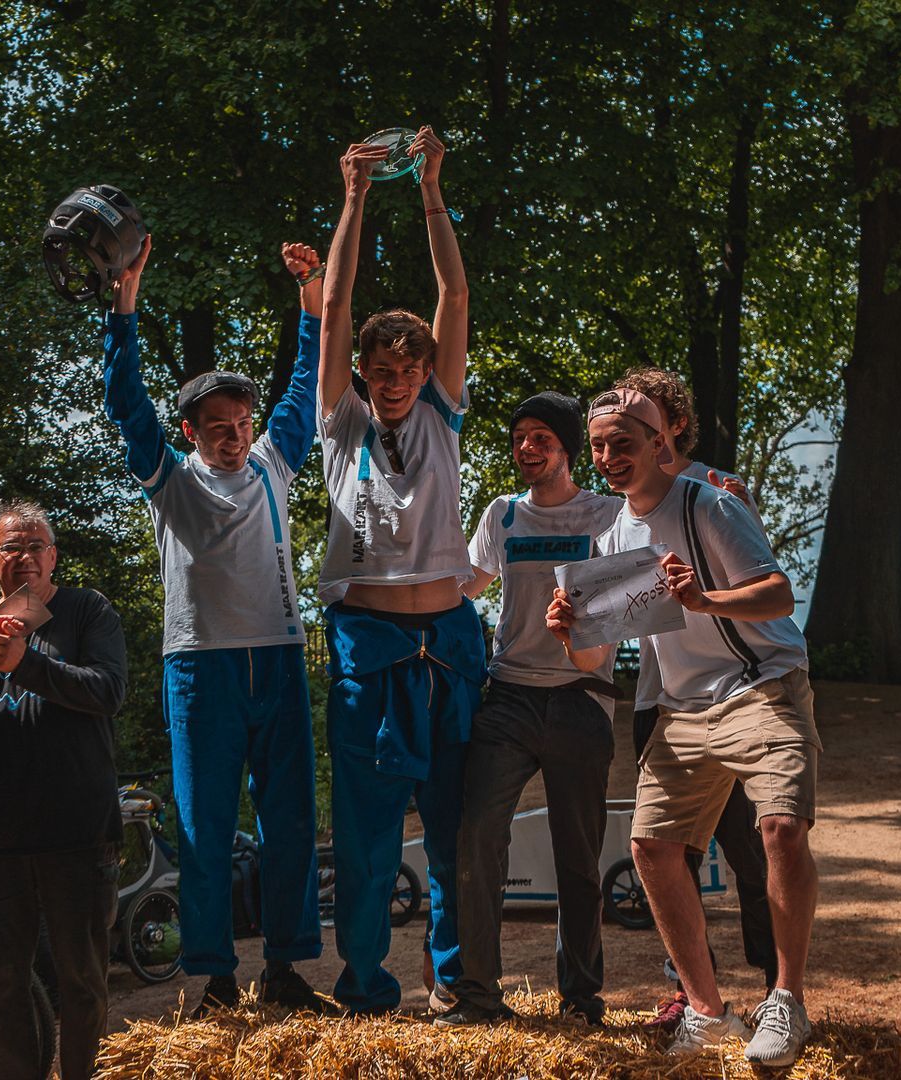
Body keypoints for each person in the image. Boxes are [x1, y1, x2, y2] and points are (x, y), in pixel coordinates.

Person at [548, 387, 820, 1067]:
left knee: (781, 827)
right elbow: (594, 656)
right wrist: (568, 635)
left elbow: (779, 594)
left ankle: (785, 1000)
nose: (610, 457)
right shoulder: (612, 535)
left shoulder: (710, 504)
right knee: (652, 849)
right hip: (683, 708)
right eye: (600, 446)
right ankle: (707, 1012)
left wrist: (704, 598)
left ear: (658, 442)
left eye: (624, 443)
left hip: (762, 684)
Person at [99, 237, 330, 1014]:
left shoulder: (273, 462)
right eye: (216, 426)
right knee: (202, 828)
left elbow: (307, 382)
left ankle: (289, 968)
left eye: (240, 421)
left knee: (290, 824)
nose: (233, 434)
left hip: (279, 659)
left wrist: (310, 301)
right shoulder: (168, 479)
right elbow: (126, 401)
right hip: (200, 669)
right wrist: (124, 308)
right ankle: (215, 976)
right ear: (192, 432)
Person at [315, 126, 487, 1015]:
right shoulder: (340, 420)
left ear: (426, 371)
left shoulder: (442, 414)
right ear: (361, 374)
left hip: (450, 639)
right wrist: (352, 197)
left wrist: (428, 191)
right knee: (369, 831)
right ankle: (366, 982)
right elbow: (336, 300)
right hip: (367, 638)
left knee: (454, 826)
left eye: (407, 368)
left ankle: (454, 979)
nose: (393, 381)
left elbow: (453, 289)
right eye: (380, 370)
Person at [0, 500, 128, 1080]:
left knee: (83, 986)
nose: (27, 557)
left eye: (37, 545)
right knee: (2, 990)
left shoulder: (87, 613)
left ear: (53, 556)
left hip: (77, 839)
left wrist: (26, 662)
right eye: (13, 547)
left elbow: (108, 691)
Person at [444, 392, 622, 1027]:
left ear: (568, 448)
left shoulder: (608, 516)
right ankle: (479, 998)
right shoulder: (502, 515)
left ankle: (580, 1000)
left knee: (578, 855)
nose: (527, 447)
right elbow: (465, 585)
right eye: (520, 436)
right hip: (508, 697)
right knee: (477, 836)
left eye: (541, 436)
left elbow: (640, 583)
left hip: (582, 700)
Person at [608, 367, 777, 1034]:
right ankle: (691, 994)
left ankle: (776, 991)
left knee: (747, 846)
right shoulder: (621, 495)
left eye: (645, 415)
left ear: (671, 424)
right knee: (666, 852)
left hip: (730, 696)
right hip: (659, 699)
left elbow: (755, 576)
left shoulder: (711, 487)